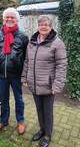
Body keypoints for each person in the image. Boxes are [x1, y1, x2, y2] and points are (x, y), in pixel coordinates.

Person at [21, 15, 67, 147]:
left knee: (47, 111)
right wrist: (24, 77)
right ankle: (42, 130)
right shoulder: (32, 41)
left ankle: (48, 135)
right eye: (41, 24)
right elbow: (27, 61)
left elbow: (61, 65)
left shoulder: (57, 43)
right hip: (34, 83)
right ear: (38, 26)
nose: (43, 26)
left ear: (51, 27)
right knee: (39, 109)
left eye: (46, 24)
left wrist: (57, 85)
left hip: (48, 85)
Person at [0, 7, 28, 135]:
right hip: (1, 74)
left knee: (19, 99)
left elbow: (26, 57)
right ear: (4, 19)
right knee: (3, 100)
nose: (10, 19)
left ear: (16, 19)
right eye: (7, 17)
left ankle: (21, 121)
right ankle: (3, 120)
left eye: (12, 17)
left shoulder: (23, 36)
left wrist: (25, 74)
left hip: (16, 74)